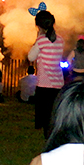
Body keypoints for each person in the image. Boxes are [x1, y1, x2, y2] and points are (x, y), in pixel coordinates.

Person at [28, 10, 65, 139]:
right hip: (58, 83)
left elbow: (31, 57)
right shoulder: (60, 40)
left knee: (45, 118)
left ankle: (49, 140)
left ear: (39, 26)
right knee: (55, 115)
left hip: (44, 85)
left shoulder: (41, 41)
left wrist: (38, 38)